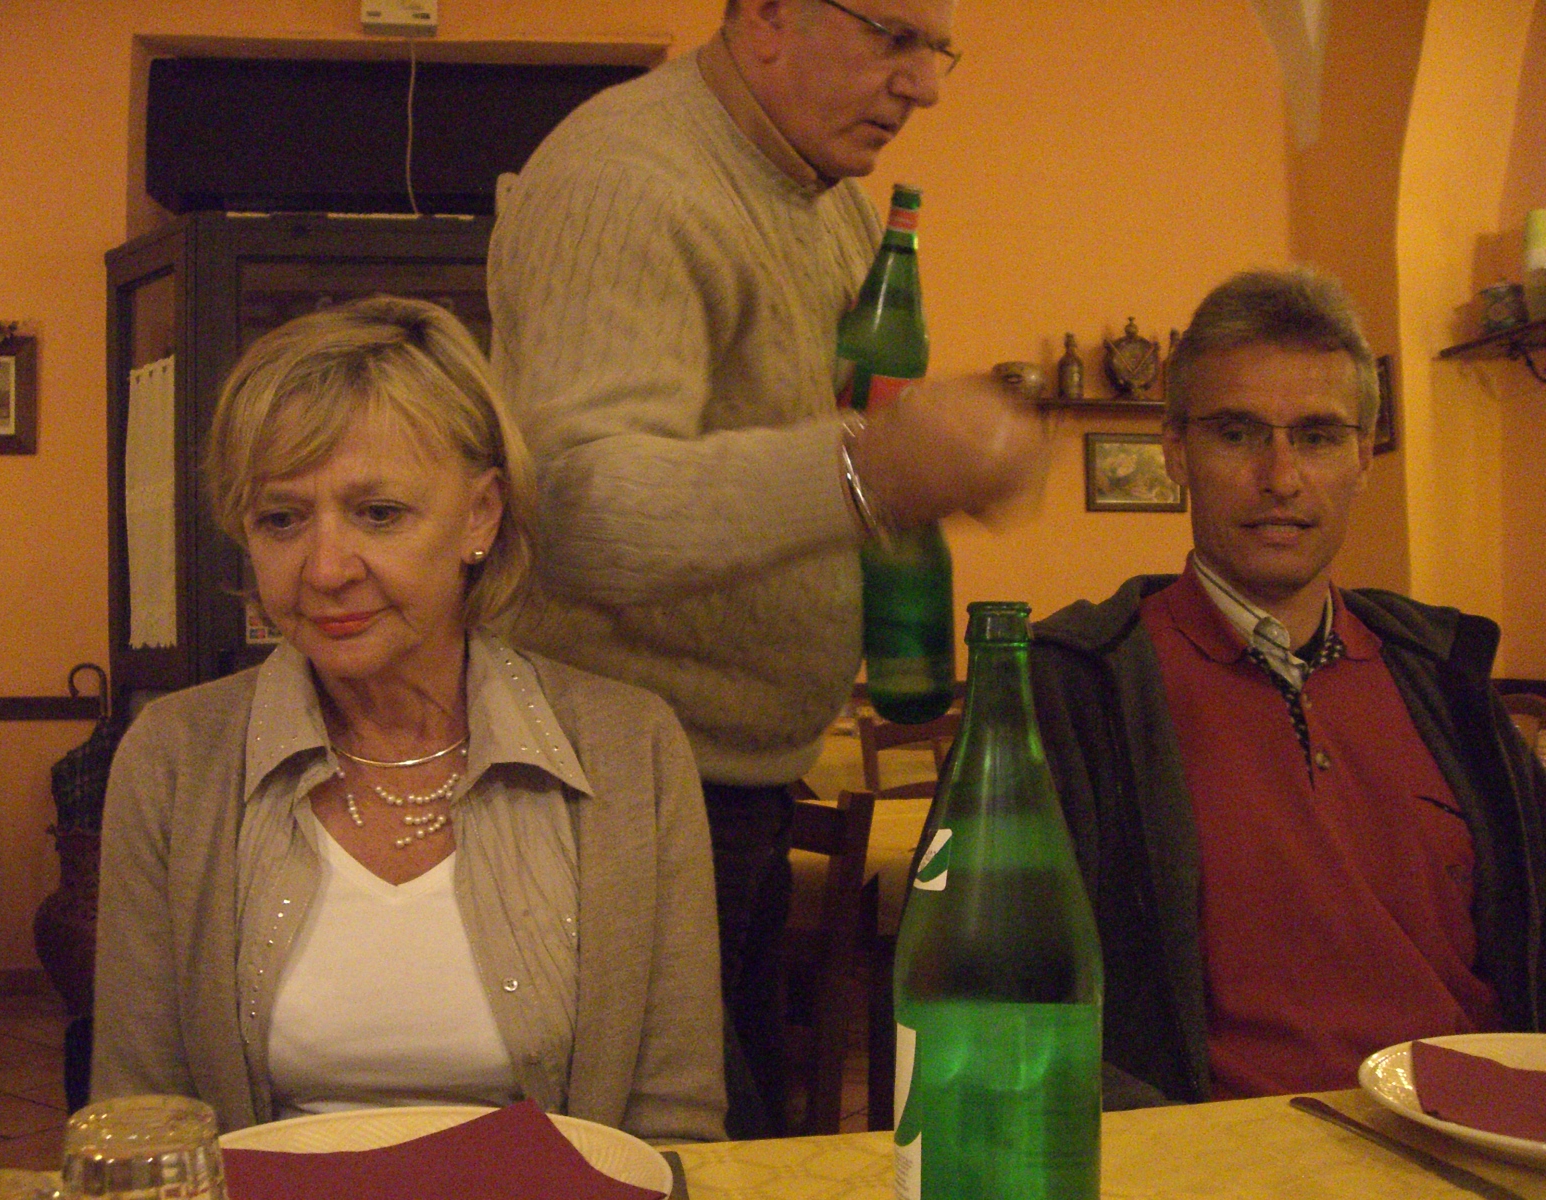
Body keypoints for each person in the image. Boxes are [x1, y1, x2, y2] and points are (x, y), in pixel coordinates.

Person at [487, 0, 1045, 1131]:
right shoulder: (625, 179)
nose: (926, 85)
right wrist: (873, 470)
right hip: (613, 799)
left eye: (937, 48)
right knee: (675, 1156)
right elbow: (578, 510)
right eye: (894, 37)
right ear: (771, 17)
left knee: (737, 1142)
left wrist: (900, 461)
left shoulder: (828, 199)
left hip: (733, 787)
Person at [90, 296, 727, 1141]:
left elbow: (673, 1124)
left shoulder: (628, 749)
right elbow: (139, 1118)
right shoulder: (174, 757)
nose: (325, 568)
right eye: (282, 519)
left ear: (480, 515)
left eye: (379, 514)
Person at [1030, 267, 1546, 1105]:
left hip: (1474, 1134)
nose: (1280, 477)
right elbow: (998, 1011)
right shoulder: (1074, 688)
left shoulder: (1443, 681)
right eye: (1237, 434)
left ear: (1363, 457)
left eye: (1317, 436)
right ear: (1175, 451)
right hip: (1219, 1155)